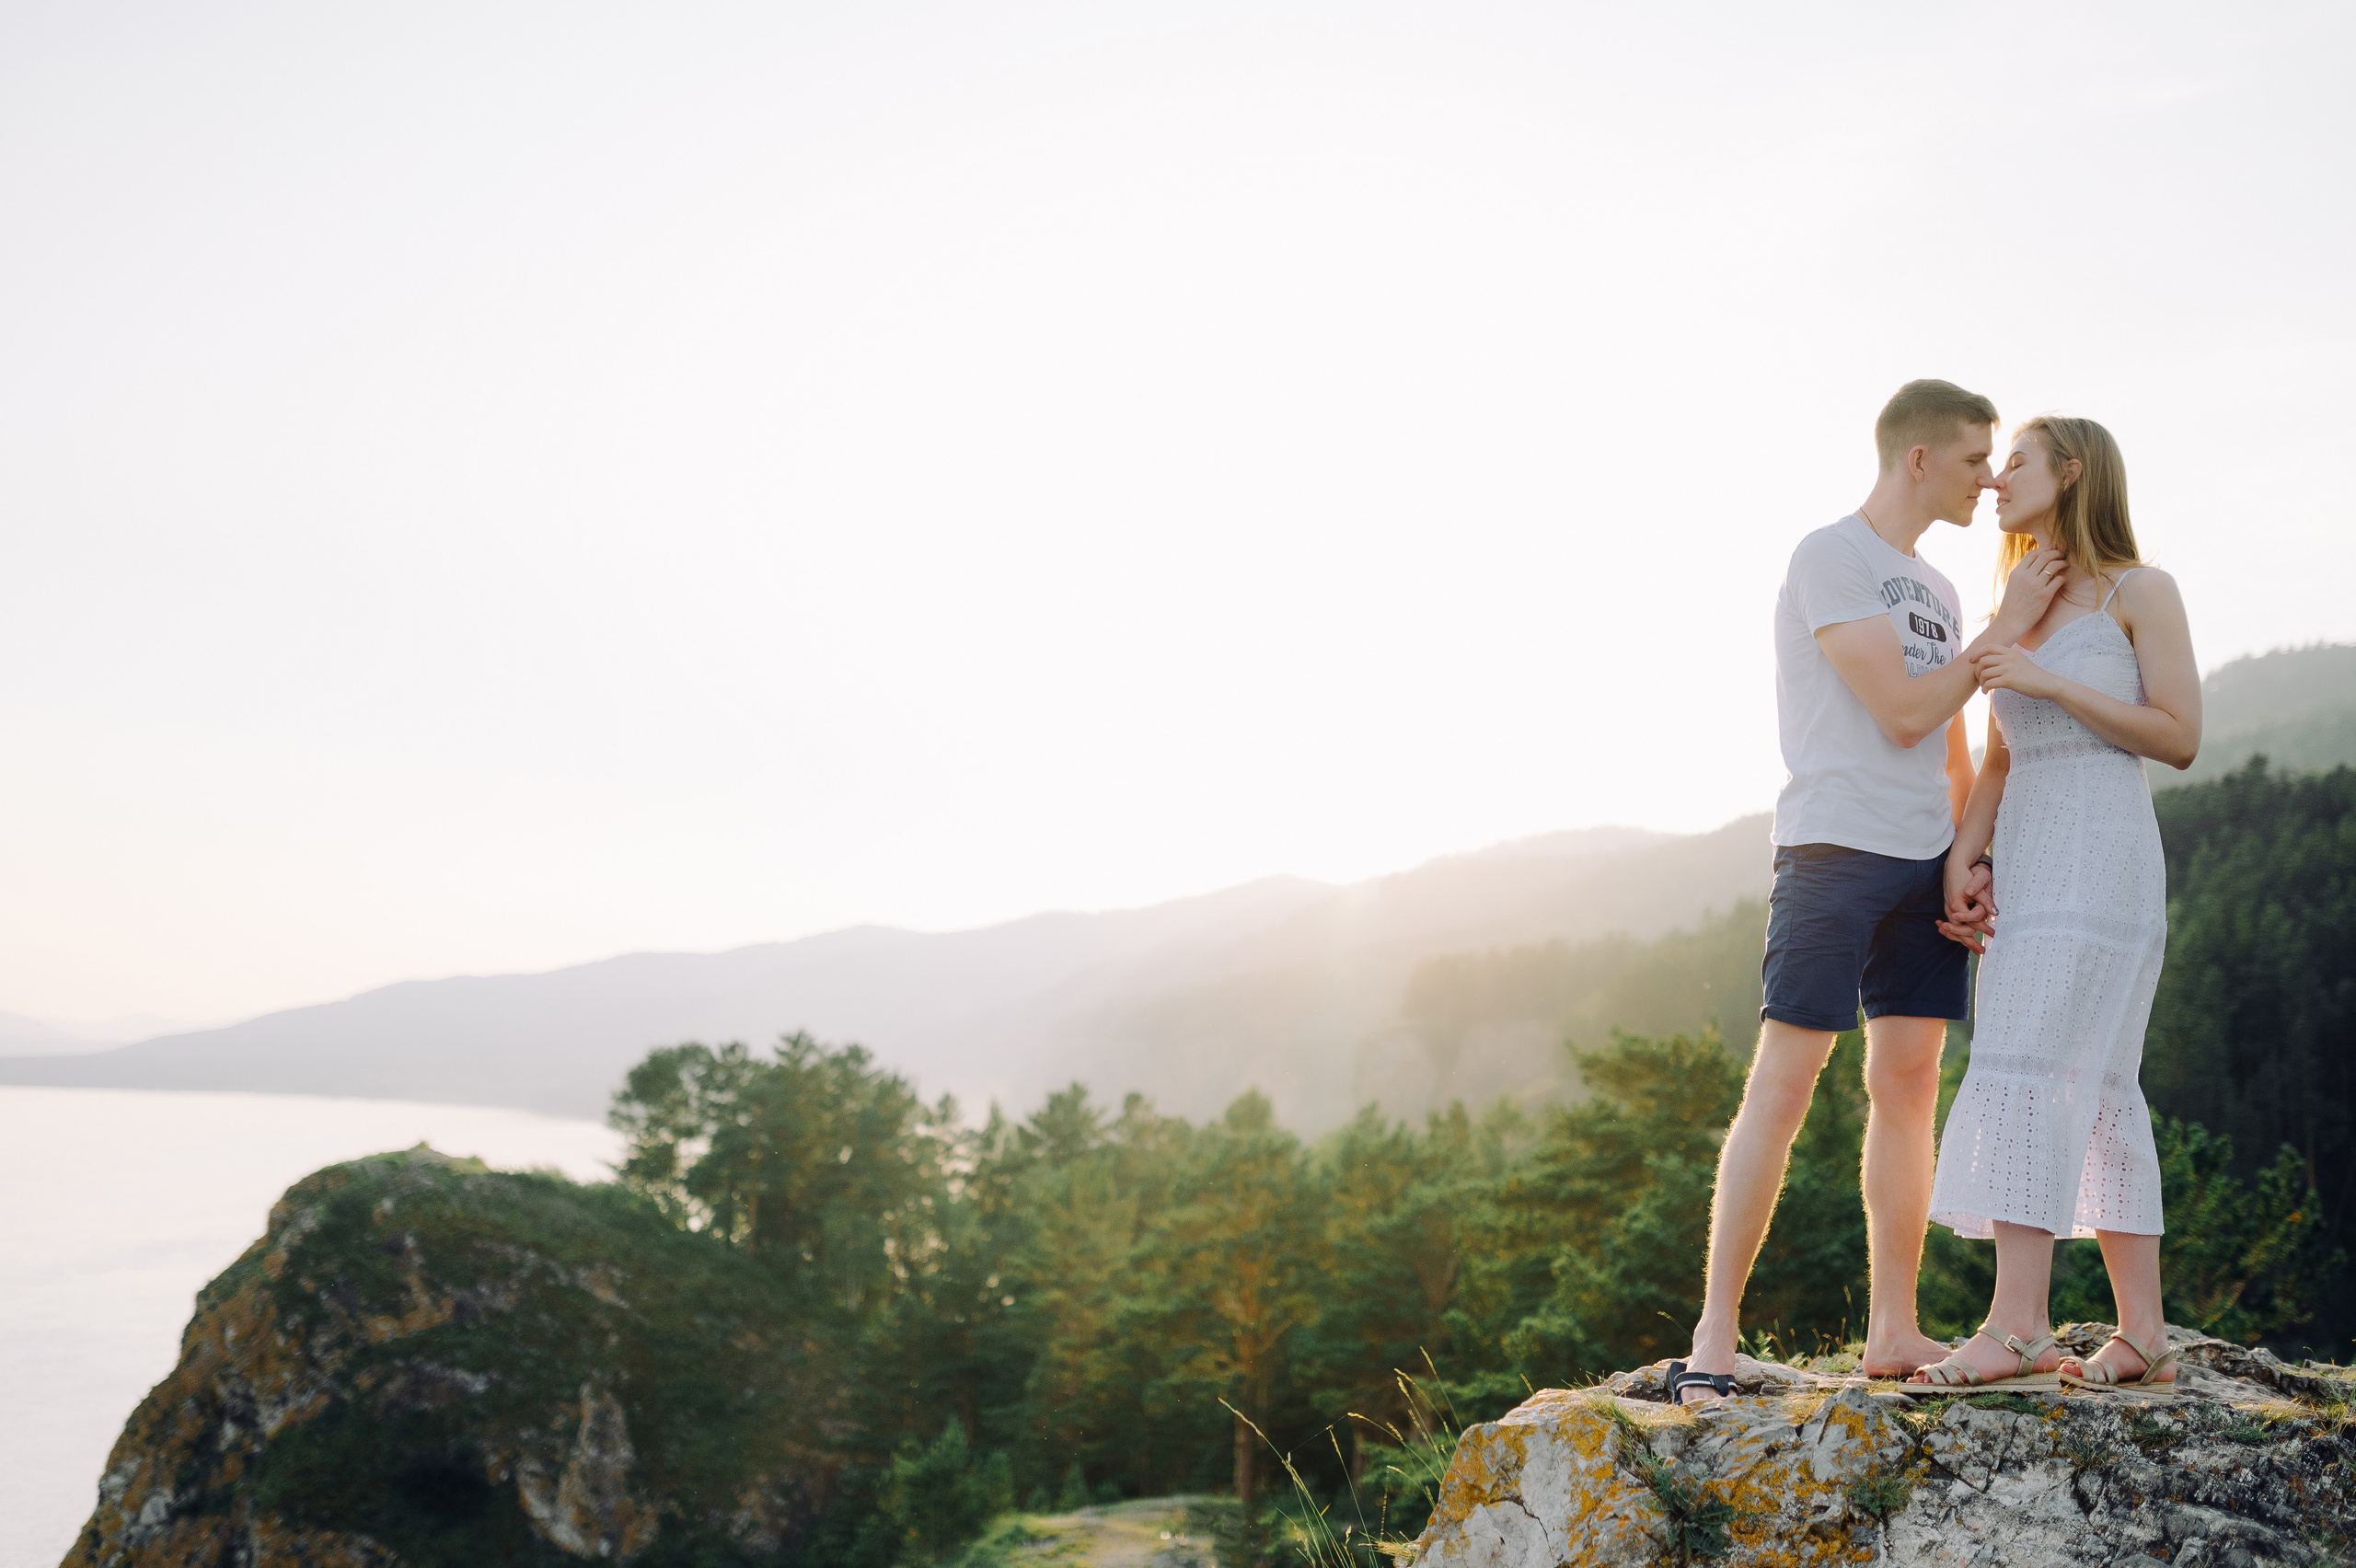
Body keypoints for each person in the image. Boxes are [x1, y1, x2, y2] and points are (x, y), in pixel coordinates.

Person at [1669, 379, 2071, 1406]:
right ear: (1919, 460)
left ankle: (1891, 1326)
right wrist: (2002, 636)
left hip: (1916, 863)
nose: (1991, 478)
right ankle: (1714, 1334)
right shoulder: (1828, 557)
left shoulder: (1933, 592)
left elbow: (1942, 747)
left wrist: (1958, 856)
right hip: (1830, 852)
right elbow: (1898, 709)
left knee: (1907, 1087)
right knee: (1787, 1082)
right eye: (1978, 458)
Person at [1904, 415, 2200, 1390]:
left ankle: (2020, 1326)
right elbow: (1996, 754)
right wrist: (1964, 856)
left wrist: (2044, 680)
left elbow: (2177, 734)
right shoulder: (2017, 599)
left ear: (2070, 473)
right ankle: (2145, 1335)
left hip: (2103, 863)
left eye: (2016, 464)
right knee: (2096, 1084)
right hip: (2029, 864)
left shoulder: (2140, 592)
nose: (1994, 482)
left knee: (2034, 1060)